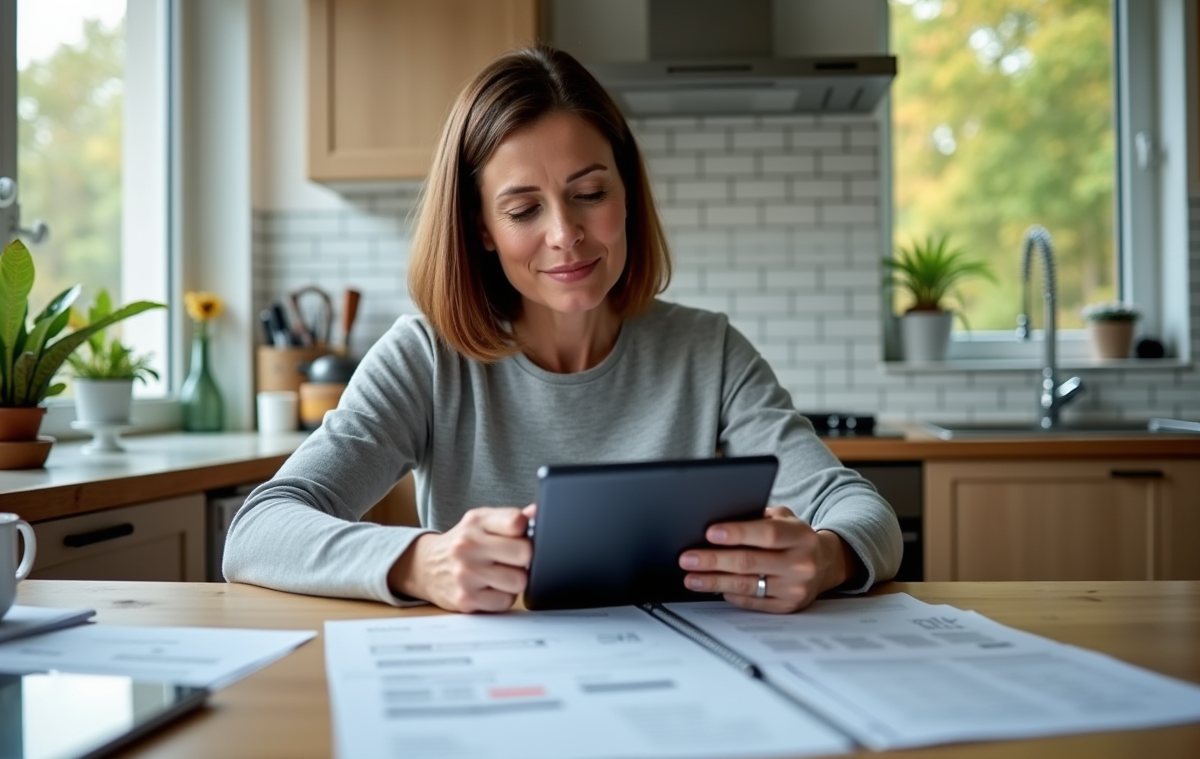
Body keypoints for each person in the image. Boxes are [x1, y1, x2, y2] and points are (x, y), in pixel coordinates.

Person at [224, 45, 902, 614]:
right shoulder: (427, 357)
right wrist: (419, 562)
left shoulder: (709, 352)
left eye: (590, 194)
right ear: (481, 230)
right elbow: (256, 531)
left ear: (626, 193)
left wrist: (827, 556)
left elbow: (858, 509)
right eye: (523, 209)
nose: (566, 235)